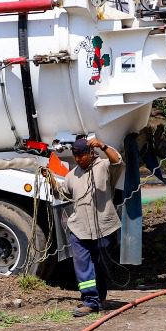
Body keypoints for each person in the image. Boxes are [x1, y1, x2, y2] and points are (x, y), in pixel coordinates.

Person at [52, 134, 123, 317]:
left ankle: (100, 297)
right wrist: (50, 181)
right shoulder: (71, 176)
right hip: (79, 229)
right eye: (75, 156)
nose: (78, 159)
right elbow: (62, 194)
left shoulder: (104, 167)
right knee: (83, 265)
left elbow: (118, 161)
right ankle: (90, 301)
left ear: (91, 152)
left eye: (81, 155)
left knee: (99, 265)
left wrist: (103, 145)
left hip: (104, 227)